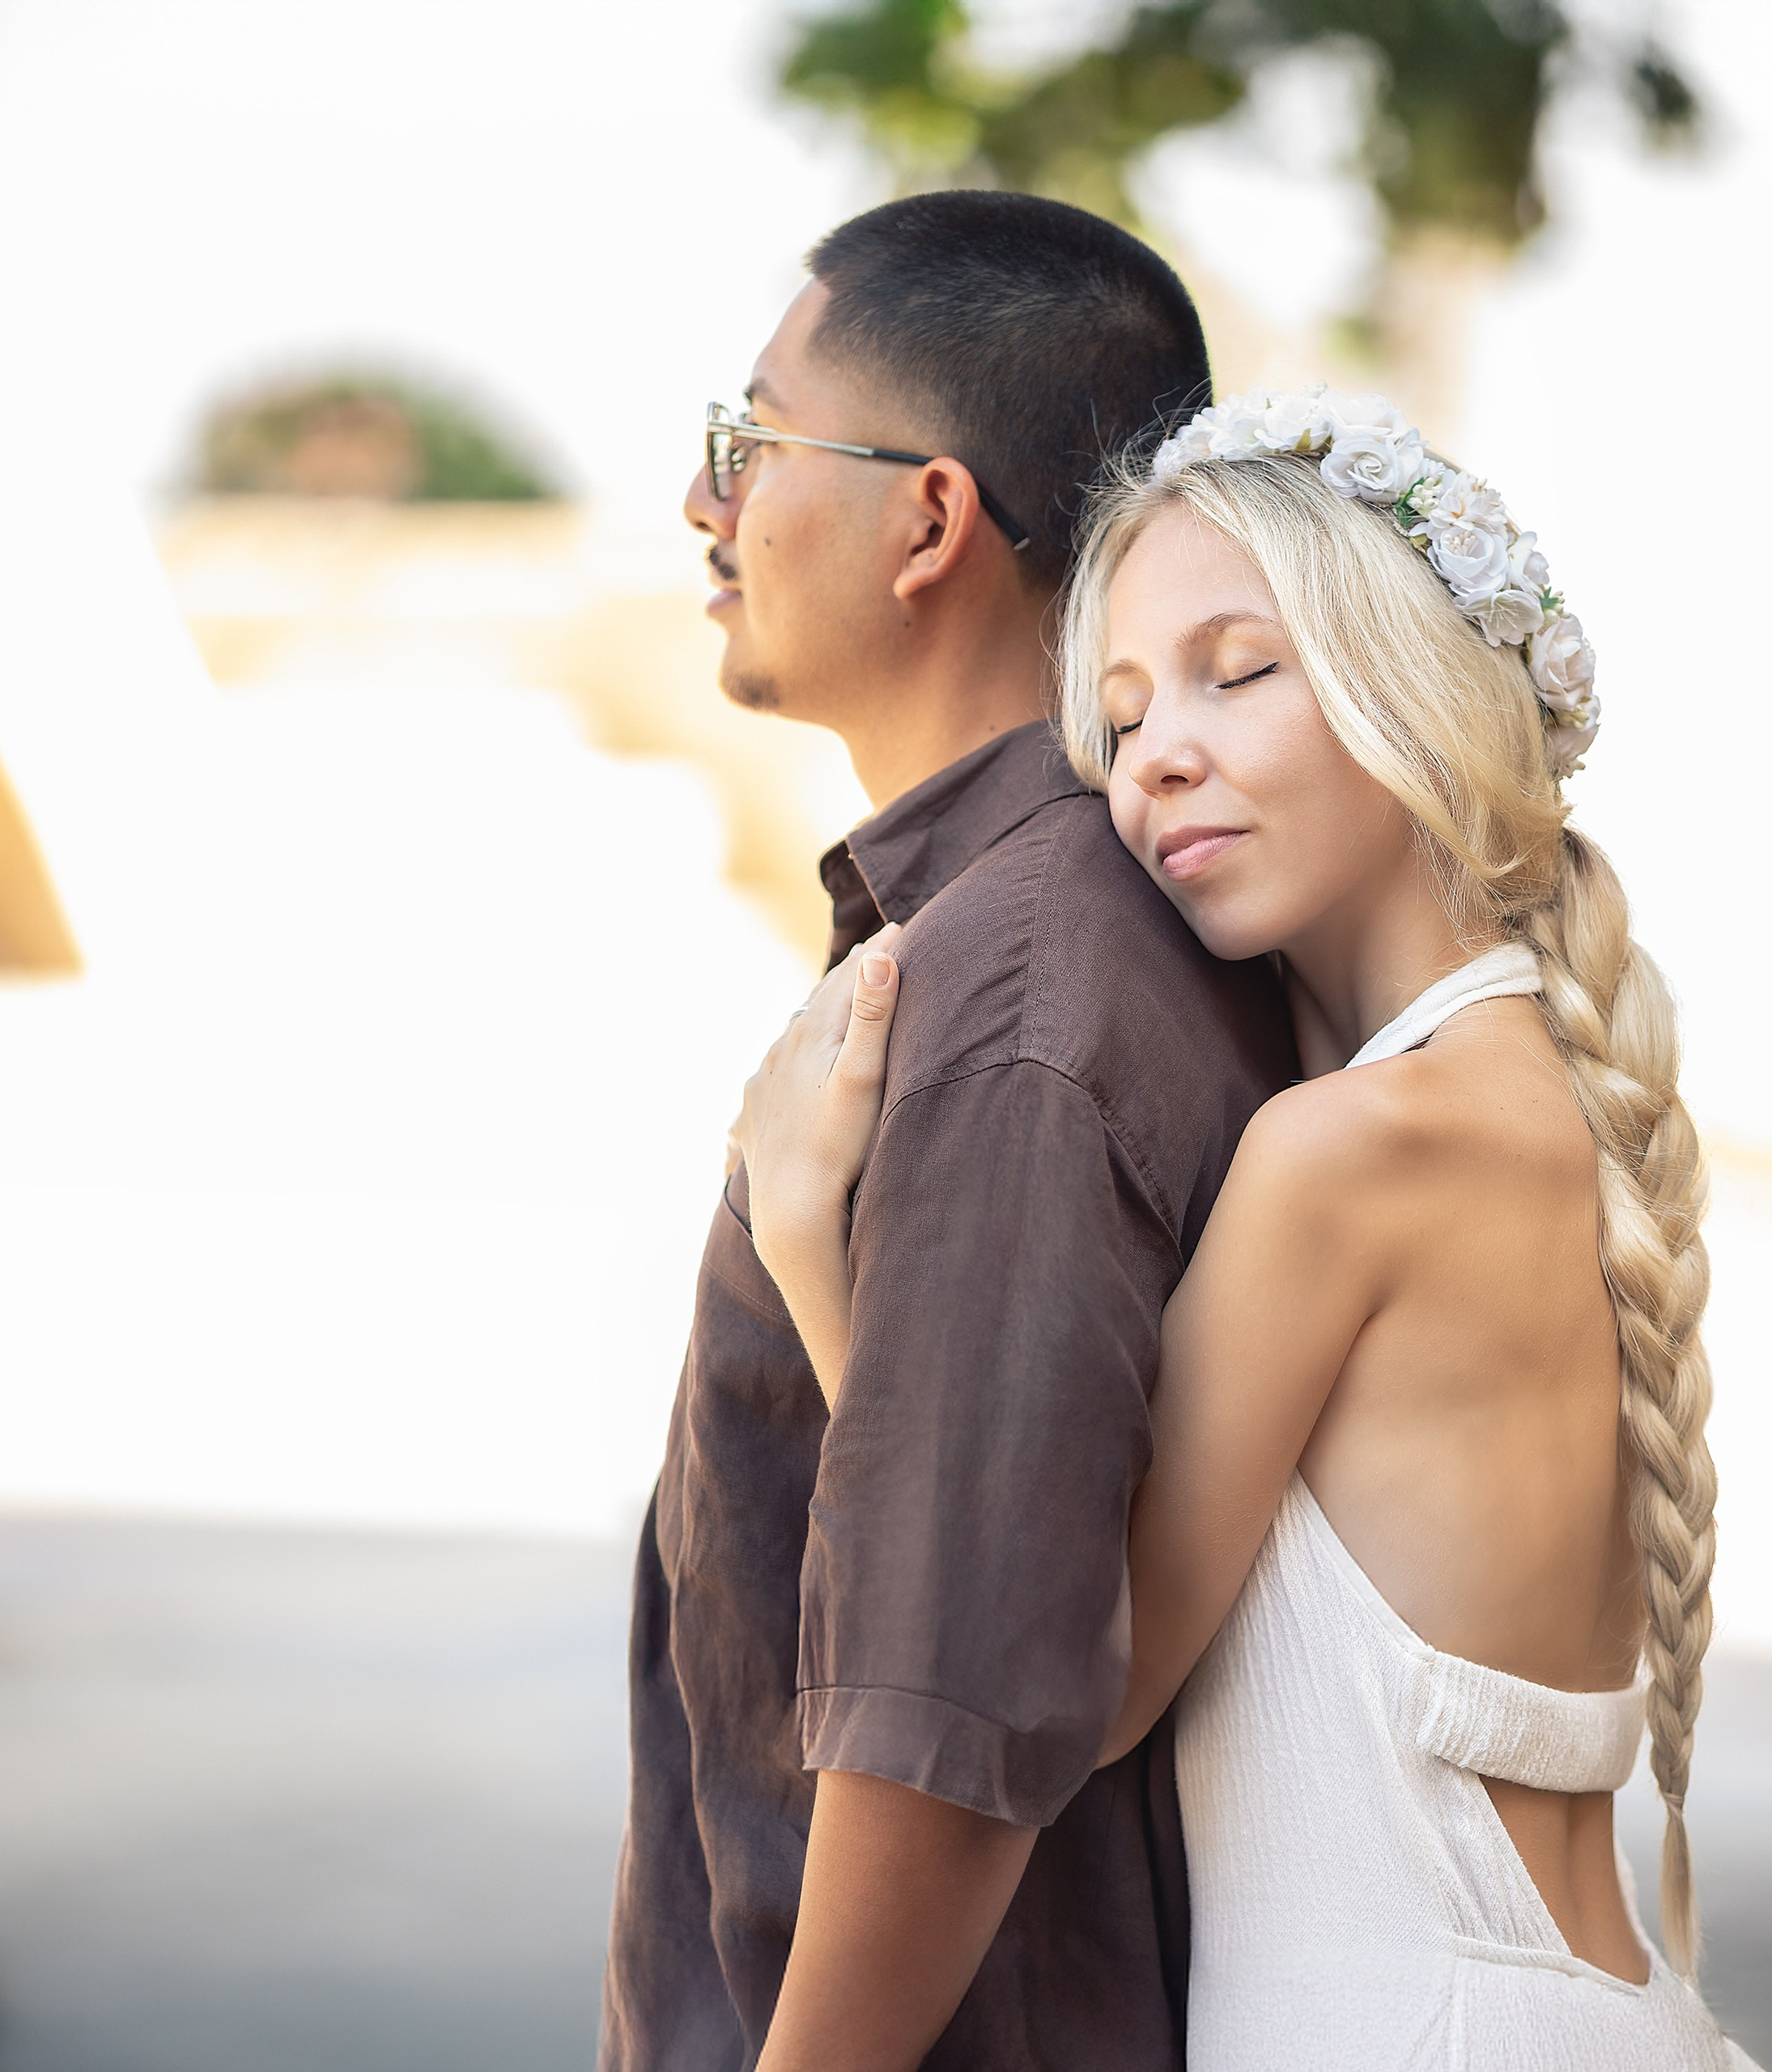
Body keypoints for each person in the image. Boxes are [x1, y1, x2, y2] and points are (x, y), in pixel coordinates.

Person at [735, 387, 1765, 2067]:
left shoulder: (1345, 1153)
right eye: (1120, 714)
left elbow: (1065, 1661)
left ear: (1411, 686)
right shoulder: (1554, 1103)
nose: (1156, 756)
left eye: (1238, 669)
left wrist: (803, 1242)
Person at [599, 197, 1299, 2072]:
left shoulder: (1013, 997)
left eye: (749, 439)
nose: (698, 497)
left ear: (929, 519)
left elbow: (948, 1716)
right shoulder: (1023, 926)